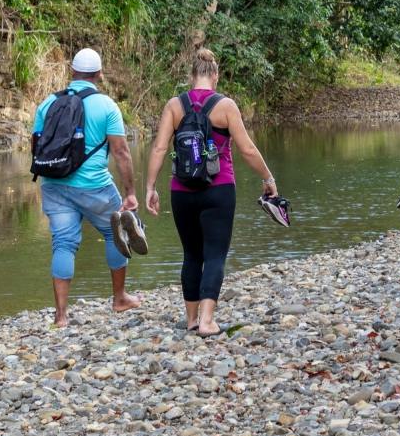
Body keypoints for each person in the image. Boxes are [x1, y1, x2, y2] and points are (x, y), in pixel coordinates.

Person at [141, 47, 279, 337]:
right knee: (215, 254)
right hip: (219, 189)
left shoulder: (174, 106)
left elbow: (160, 148)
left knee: (191, 254)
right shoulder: (226, 105)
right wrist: (267, 177)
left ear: (192, 76)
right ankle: (207, 322)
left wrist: (150, 187)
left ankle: (191, 319)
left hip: (181, 190)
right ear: (214, 75)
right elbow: (247, 149)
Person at [31, 47, 141, 326]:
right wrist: (130, 193)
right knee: (114, 230)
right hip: (95, 186)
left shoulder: (47, 104)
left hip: (54, 184)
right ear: (99, 74)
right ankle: (119, 299)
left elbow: (36, 146)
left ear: (72, 72)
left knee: (63, 243)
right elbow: (121, 153)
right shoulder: (106, 105)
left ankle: (61, 316)